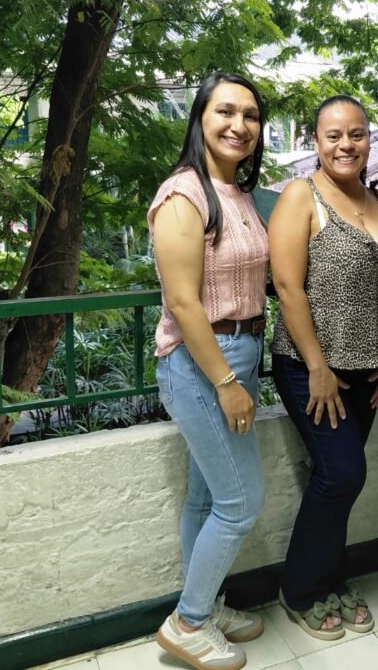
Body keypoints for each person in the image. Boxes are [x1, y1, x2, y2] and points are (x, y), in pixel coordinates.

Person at [269, 95, 378, 640]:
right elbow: (287, 287)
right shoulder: (300, 196)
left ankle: (331, 578)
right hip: (313, 367)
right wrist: (318, 367)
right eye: (333, 135)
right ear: (315, 141)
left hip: (371, 366)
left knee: (339, 481)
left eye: (356, 133)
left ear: (368, 138)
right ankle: (300, 589)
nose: (345, 144)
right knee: (342, 474)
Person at [149, 73, 269, 670]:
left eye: (250, 115)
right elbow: (184, 302)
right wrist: (226, 383)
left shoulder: (235, 192)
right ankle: (188, 622)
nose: (238, 125)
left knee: (205, 497)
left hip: (238, 353)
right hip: (201, 366)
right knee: (242, 501)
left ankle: (206, 602)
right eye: (225, 111)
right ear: (199, 118)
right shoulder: (183, 194)